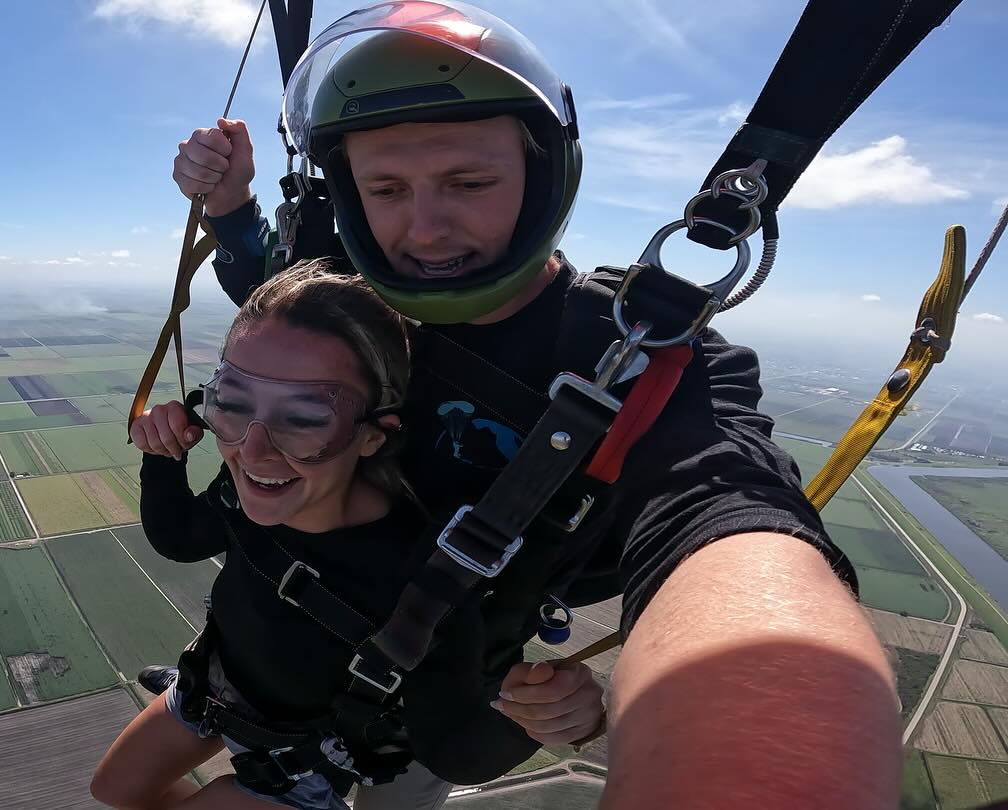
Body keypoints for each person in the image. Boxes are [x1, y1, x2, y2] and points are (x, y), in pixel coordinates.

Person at [166, 2, 901, 808]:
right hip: (273, 643)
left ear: (543, 174)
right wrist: (231, 205)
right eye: (384, 187)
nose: (426, 228)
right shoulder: (352, 286)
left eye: (470, 181)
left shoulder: (641, 362)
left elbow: (719, 506)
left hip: (418, 712)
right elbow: (270, 295)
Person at [91, 263, 590, 810]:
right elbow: (181, 538)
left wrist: (555, 718)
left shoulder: (419, 578)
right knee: (113, 791)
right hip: (213, 686)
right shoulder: (252, 487)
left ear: (375, 435)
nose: (253, 452)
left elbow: (455, 748)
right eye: (232, 404)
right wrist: (163, 458)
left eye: (304, 417)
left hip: (303, 760)